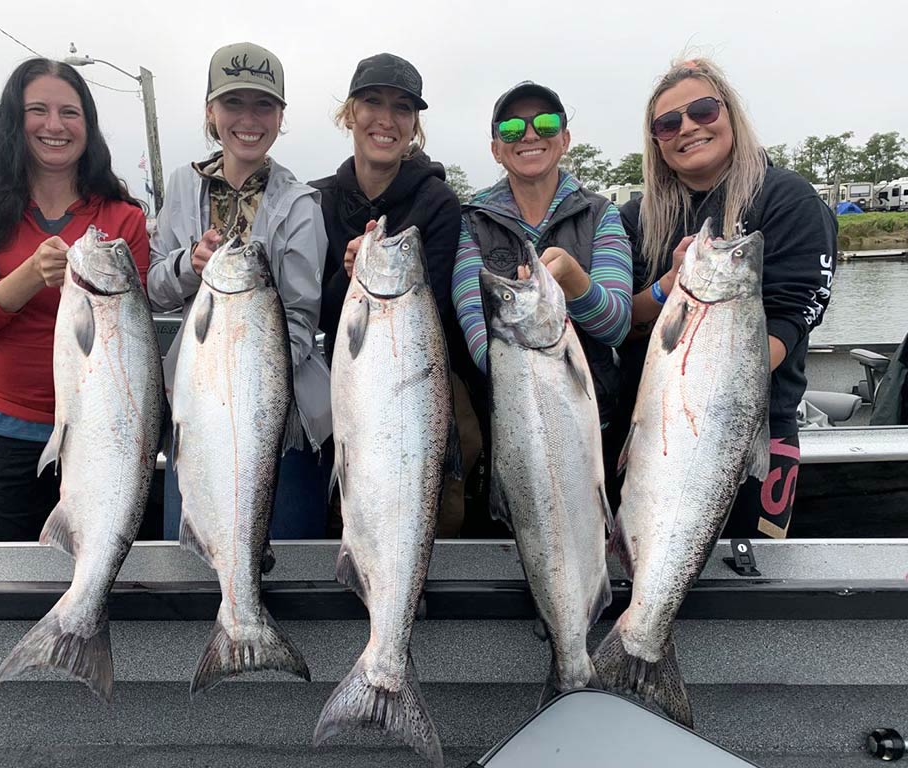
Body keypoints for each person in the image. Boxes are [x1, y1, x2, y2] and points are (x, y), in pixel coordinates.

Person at [0, 58, 150, 542]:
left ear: (88, 126)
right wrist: (30, 274)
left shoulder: (123, 216)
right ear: (13, 118)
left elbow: (135, 337)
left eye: (70, 113)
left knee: (103, 571)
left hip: (105, 432)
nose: (54, 125)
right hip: (6, 433)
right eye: (38, 110)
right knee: (13, 585)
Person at [614, 57, 837, 538]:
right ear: (656, 140)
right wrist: (667, 287)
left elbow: (796, 313)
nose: (687, 128)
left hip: (754, 428)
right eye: (668, 123)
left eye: (703, 110)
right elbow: (620, 321)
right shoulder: (636, 218)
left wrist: (715, 381)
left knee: (749, 571)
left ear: (730, 113)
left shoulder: (787, 198)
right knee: (643, 562)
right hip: (651, 428)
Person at [147, 41, 331, 539]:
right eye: (233, 103)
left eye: (263, 105)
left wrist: (244, 384)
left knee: (285, 564)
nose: (248, 118)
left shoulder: (301, 204)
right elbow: (154, 291)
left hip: (277, 408)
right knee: (188, 559)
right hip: (192, 405)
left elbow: (299, 321)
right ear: (211, 110)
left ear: (280, 116)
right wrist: (189, 264)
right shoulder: (182, 187)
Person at [310, 52, 479, 537]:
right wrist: (350, 278)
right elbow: (317, 314)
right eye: (372, 102)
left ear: (415, 125)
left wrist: (379, 281)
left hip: (417, 381)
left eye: (402, 108)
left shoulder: (438, 202)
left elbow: (439, 309)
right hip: (345, 381)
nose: (385, 119)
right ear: (349, 114)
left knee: (423, 514)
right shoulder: (317, 199)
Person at [453, 80, 633, 444]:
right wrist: (531, 369)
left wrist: (574, 281)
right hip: (511, 428)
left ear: (565, 139)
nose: (530, 135)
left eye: (546, 124)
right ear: (496, 149)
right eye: (512, 128)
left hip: (594, 427)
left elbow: (616, 326)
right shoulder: (471, 221)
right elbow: (473, 318)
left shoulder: (600, 215)